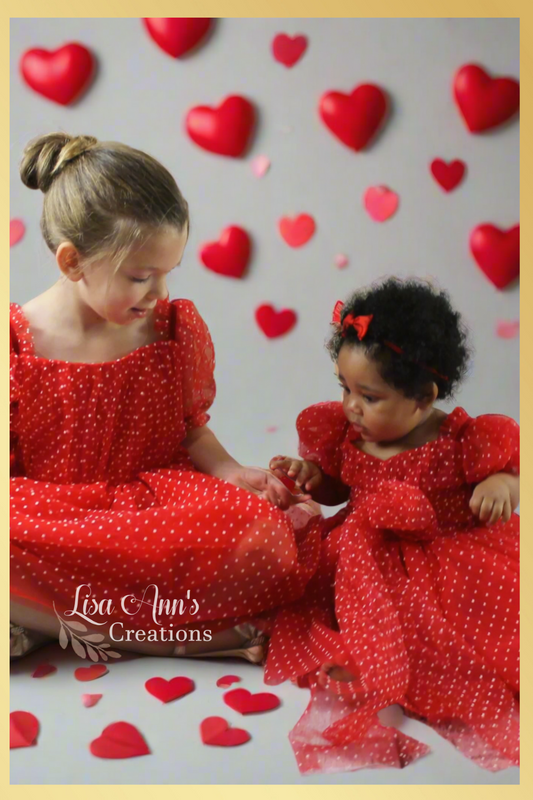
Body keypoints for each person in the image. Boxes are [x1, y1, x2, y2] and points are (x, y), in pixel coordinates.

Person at [10, 132, 320, 663]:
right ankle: (170, 638)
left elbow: (192, 429)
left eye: (167, 273)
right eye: (140, 276)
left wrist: (227, 470)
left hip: (154, 513)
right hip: (51, 519)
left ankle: (41, 619)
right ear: (71, 262)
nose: (160, 294)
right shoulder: (15, 343)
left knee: (267, 539)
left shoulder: (170, 328)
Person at [265, 277, 519, 775]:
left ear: (423, 398)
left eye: (369, 396)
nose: (351, 406)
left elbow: (510, 474)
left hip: (444, 560)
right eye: (344, 388)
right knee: (321, 598)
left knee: (464, 631)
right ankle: (367, 647)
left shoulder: (461, 440)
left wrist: (502, 487)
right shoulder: (347, 434)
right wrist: (313, 479)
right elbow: (340, 490)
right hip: (363, 560)